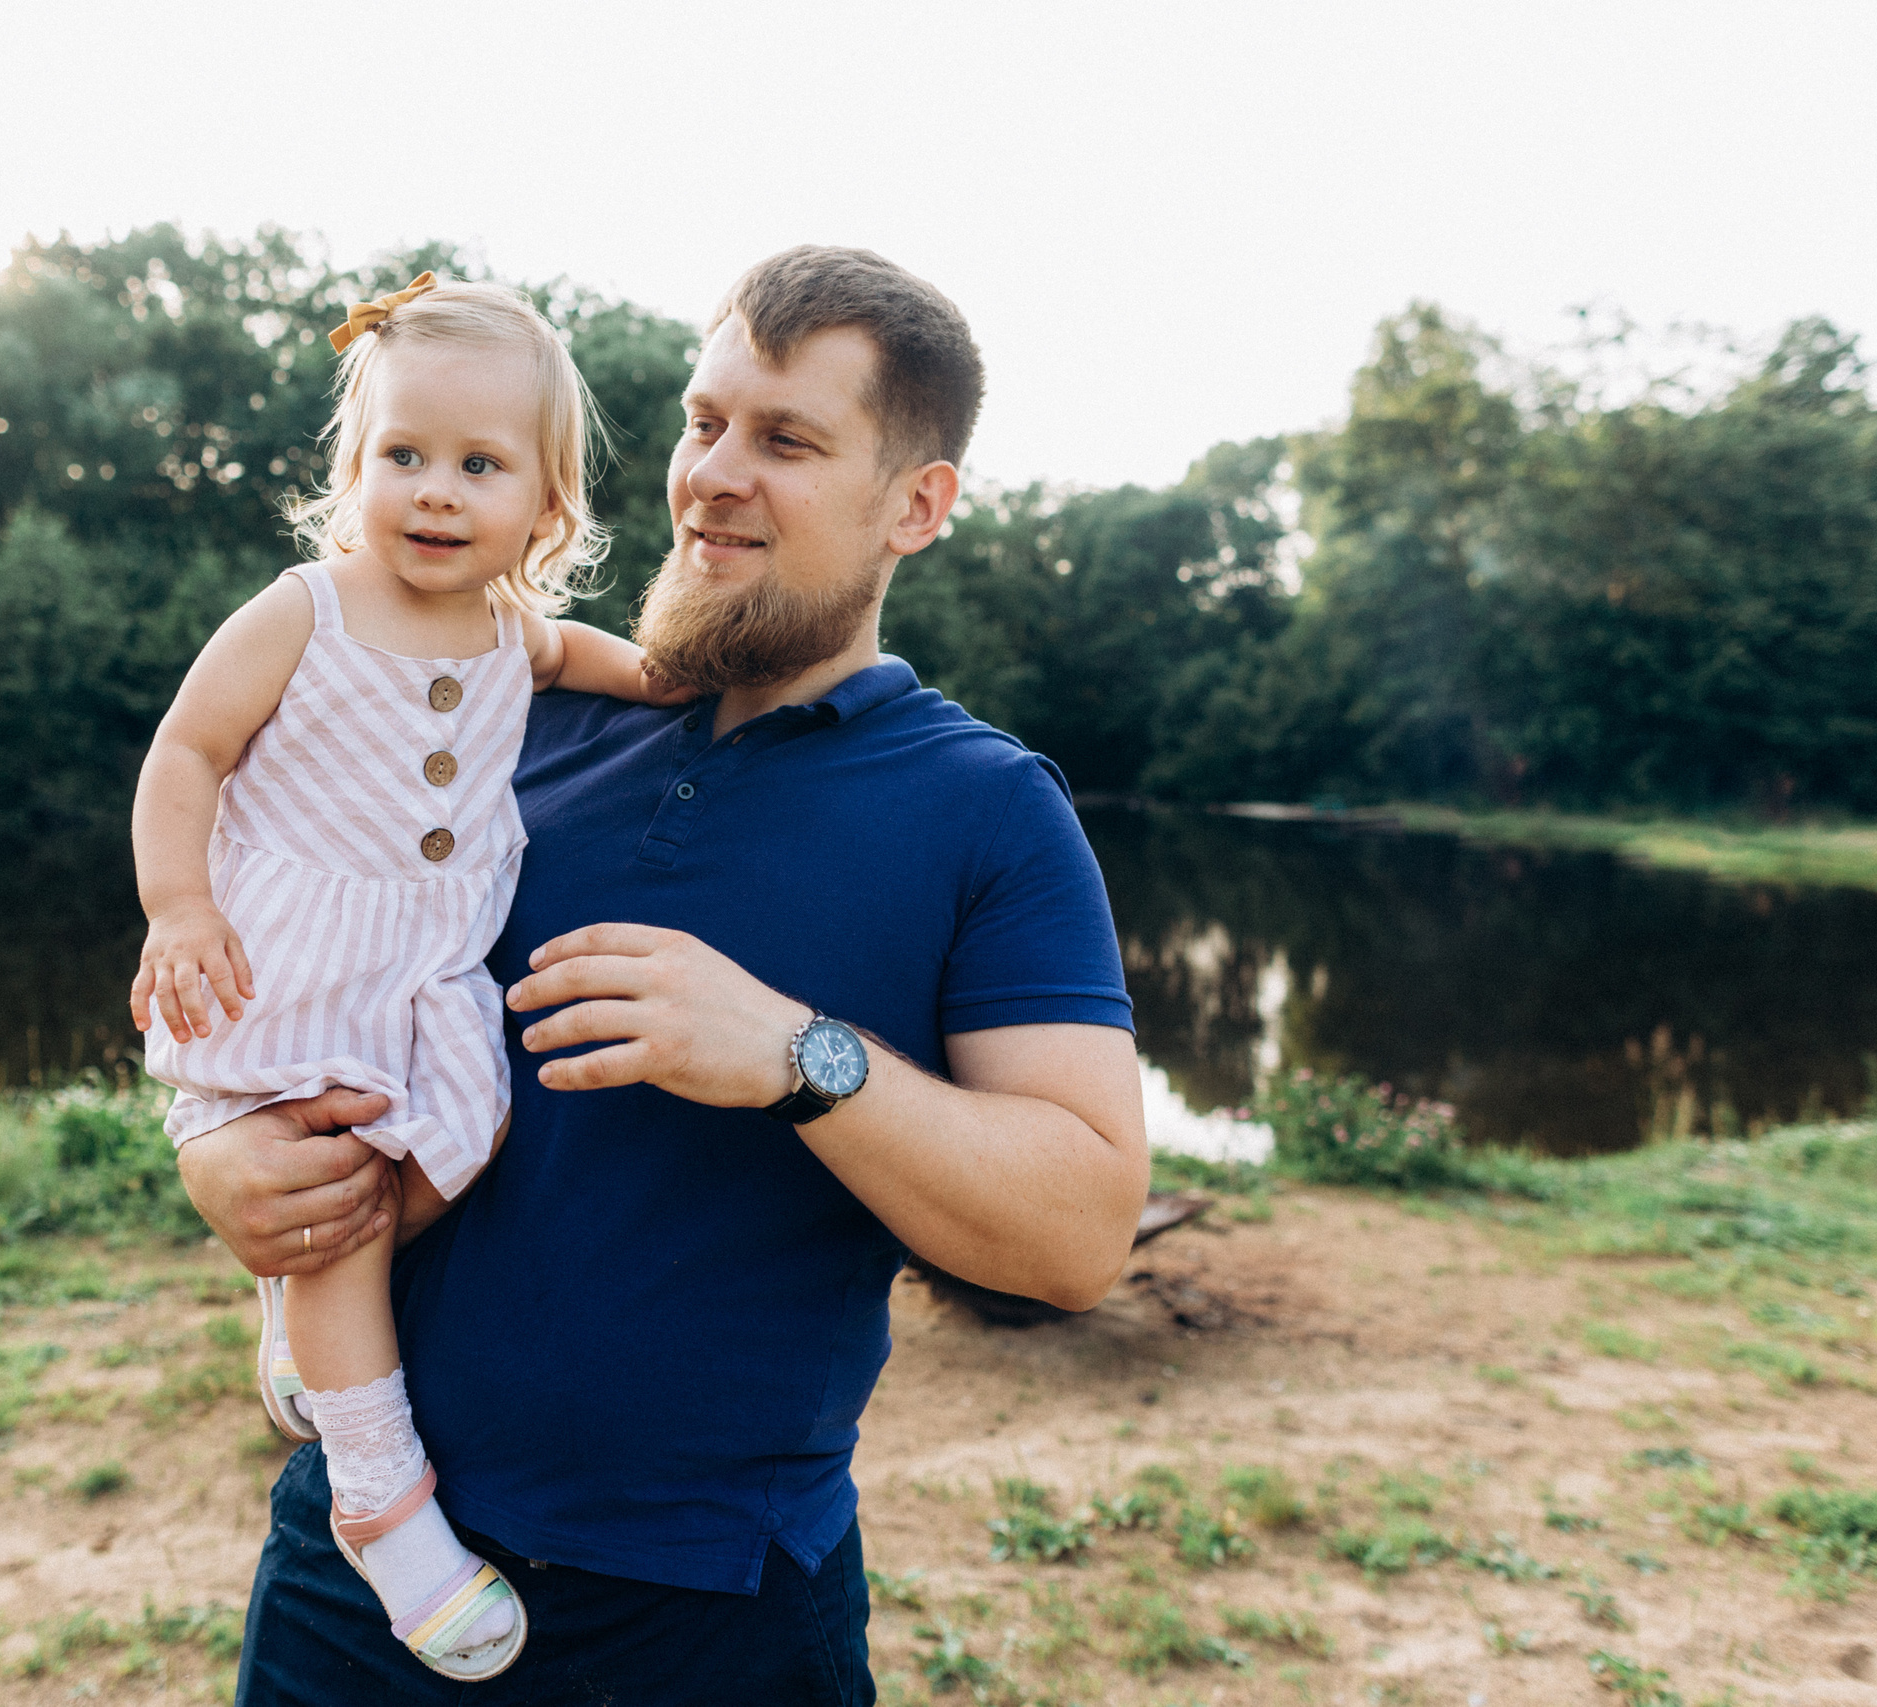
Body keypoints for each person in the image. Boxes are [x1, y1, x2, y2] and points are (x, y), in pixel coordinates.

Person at [178, 246, 1151, 1705]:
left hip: (714, 1616)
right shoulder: (500, 714)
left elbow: (1079, 1231)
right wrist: (226, 1165)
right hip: (367, 1574)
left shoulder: (986, 809)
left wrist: (793, 1054)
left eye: (787, 440)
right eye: (705, 423)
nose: (713, 474)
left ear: (918, 506)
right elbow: (288, 961)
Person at [129, 274, 681, 1681]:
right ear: (355, 467)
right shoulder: (302, 611)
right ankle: (384, 1501)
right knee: (344, 1209)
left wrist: (687, 682)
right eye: (404, 457)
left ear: (545, 506)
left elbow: (598, 659)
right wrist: (180, 906)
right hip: (300, 975)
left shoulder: (510, 634)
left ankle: (302, 1314)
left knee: (458, 1146)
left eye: (481, 466)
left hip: (421, 987)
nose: (436, 494)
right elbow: (185, 755)